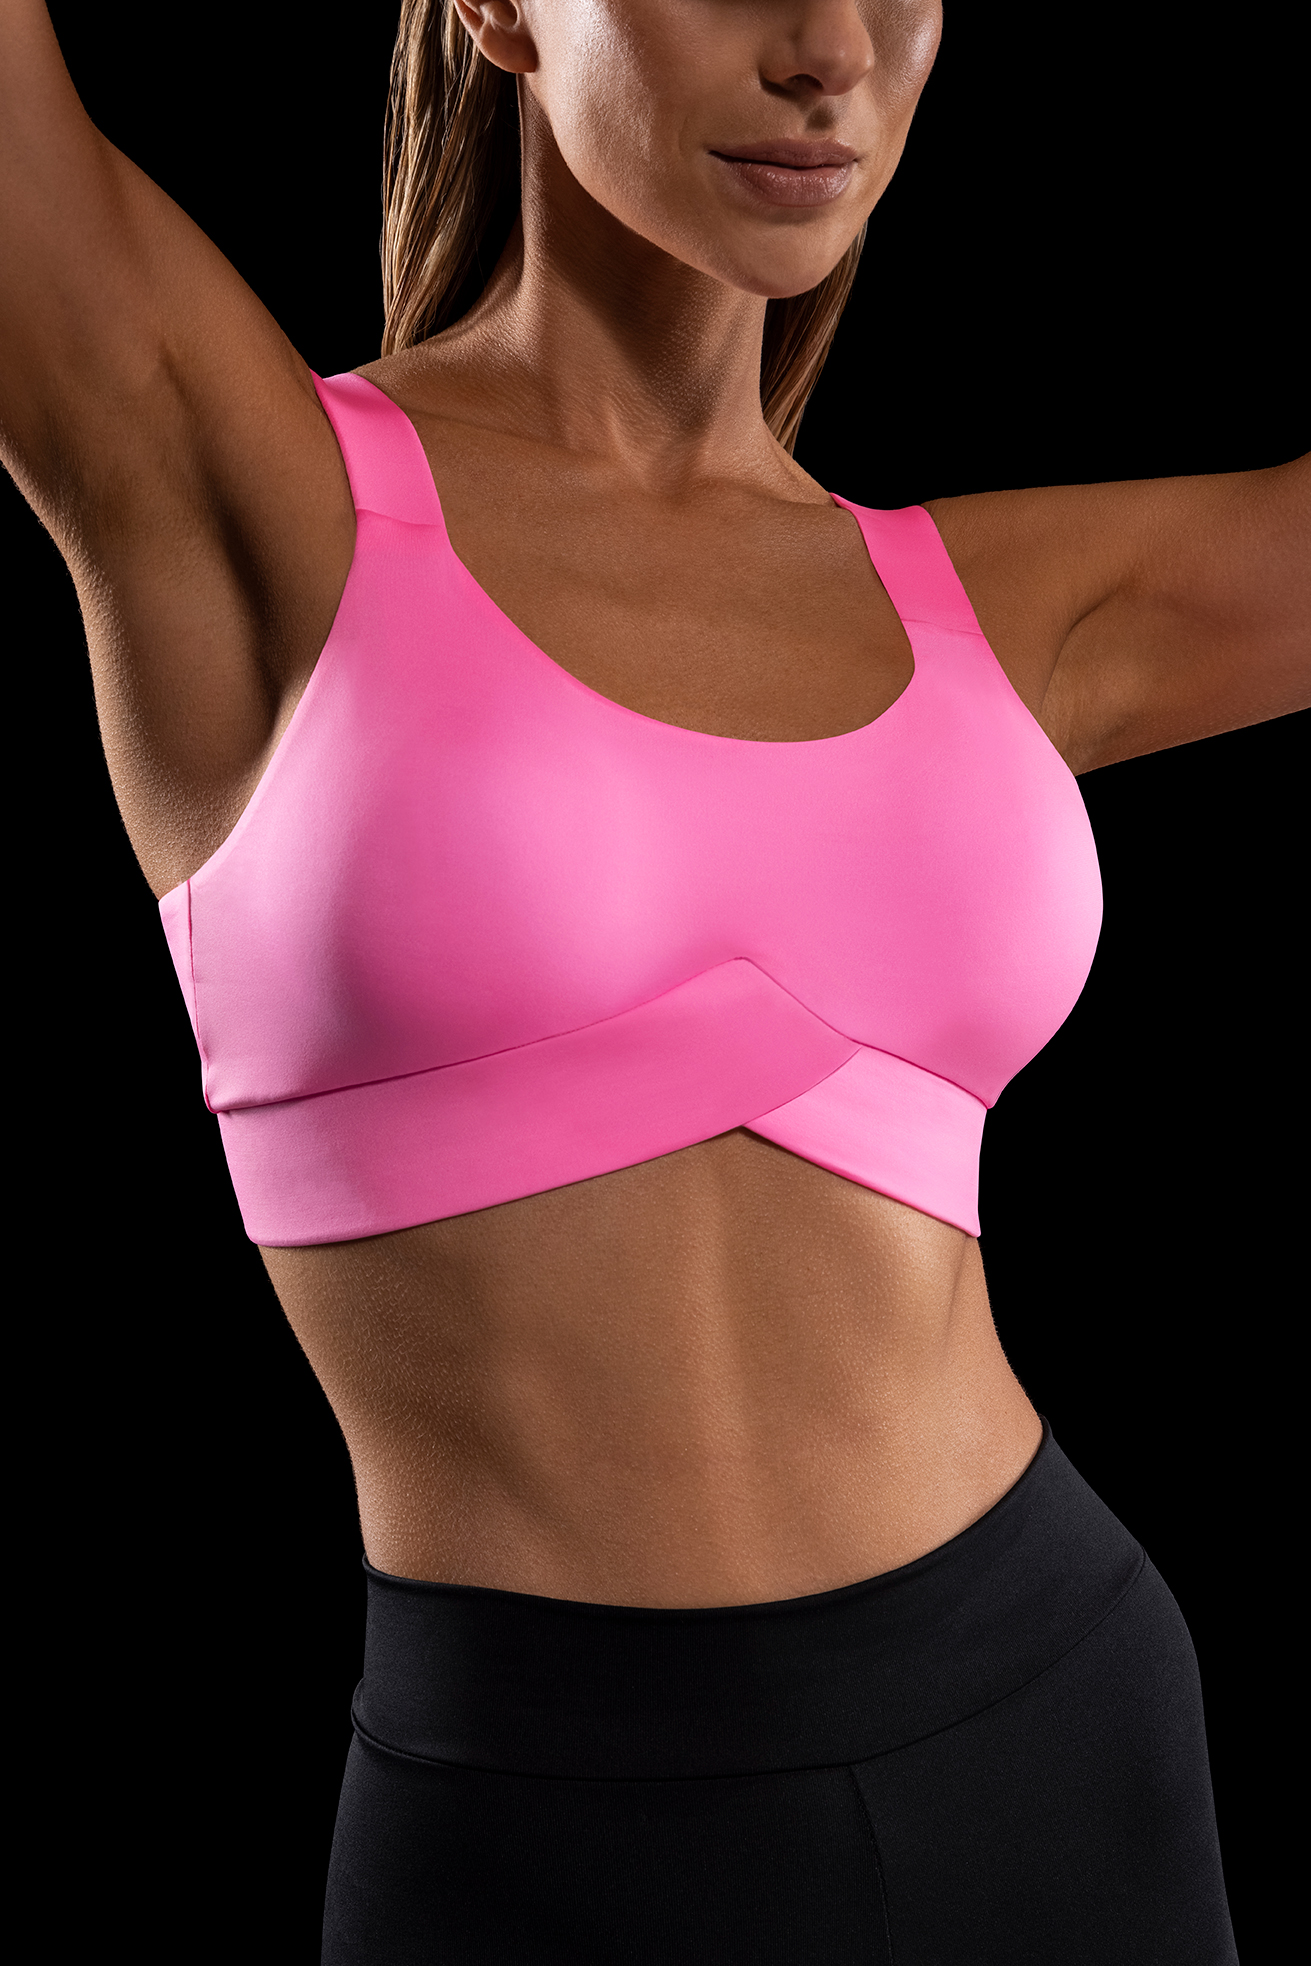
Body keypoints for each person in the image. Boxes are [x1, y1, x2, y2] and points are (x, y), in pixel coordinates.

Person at [3, 0, 1304, 1958]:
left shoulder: (997, 610)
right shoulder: (248, 490)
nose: (827, 47)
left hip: (1059, 1736)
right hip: (545, 1834)